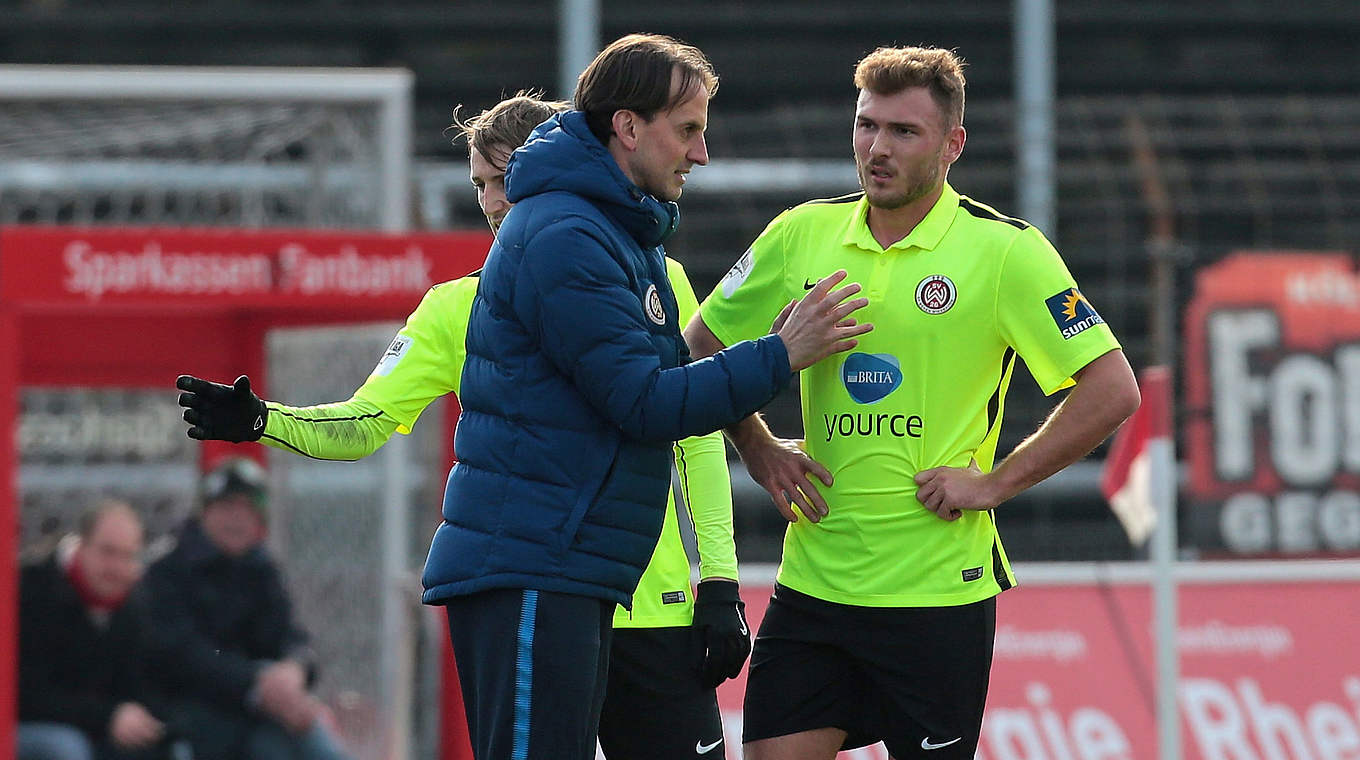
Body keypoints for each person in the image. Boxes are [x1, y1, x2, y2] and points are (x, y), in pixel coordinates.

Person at [177, 91, 750, 759]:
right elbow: (366, 422)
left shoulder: (653, 273)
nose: (492, 200)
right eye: (480, 183)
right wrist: (263, 420)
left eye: (504, 178)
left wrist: (719, 581)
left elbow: (694, 433)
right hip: (549, 591)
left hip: (655, 612)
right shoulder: (456, 307)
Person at [684, 46, 1141, 760]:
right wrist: (757, 443)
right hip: (816, 585)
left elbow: (1113, 388)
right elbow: (698, 346)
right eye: (867, 126)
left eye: (904, 131)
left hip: (937, 598)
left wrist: (996, 482)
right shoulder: (801, 233)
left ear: (952, 144)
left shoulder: (1004, 252)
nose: (878, 148)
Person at [141, 458, 350, 760]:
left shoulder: (261, 569)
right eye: (227, 507)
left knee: (292, 733)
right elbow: (182, 656)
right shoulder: (168, 571)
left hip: (259, 712)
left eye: (247, 509)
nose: (236, 519)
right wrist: (258, 684)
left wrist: (294, 669)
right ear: (204, 512)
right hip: (190, 714)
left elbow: (292, 637)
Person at [18, 500, 169, 760]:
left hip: (97, 725)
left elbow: (138, 683)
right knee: (66, 749)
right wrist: (108, 716)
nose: (117, 567)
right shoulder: (32, 589)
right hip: (30, 724)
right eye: (108, 552)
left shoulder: (133, 606)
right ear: (82, 545)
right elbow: (26, 693)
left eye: (128, 556)